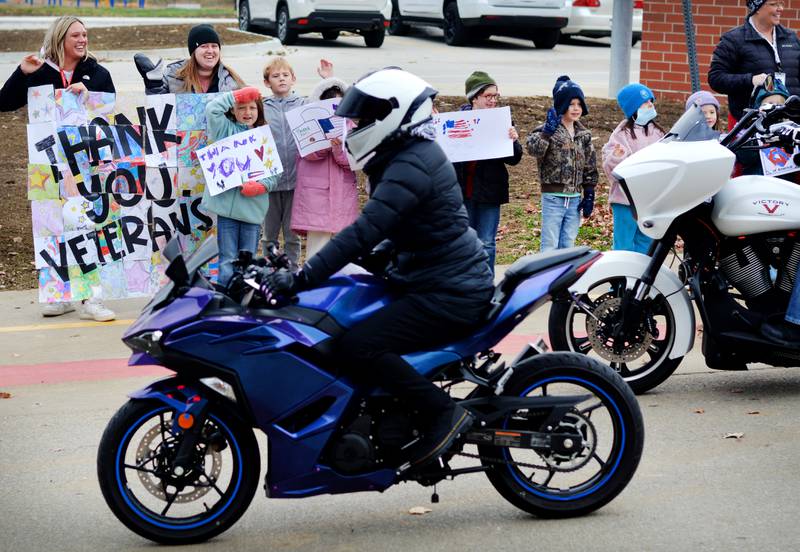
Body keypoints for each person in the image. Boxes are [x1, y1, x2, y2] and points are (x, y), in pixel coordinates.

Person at [262, 69, 494, 469]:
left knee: (359, 345)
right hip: (433, 278)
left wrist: (303, 277)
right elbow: (401, 229)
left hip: (449, 290)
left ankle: (443, 411)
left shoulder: (411, 164)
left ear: (394, 114)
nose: (355, 127)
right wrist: (372, 259)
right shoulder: (405, 156)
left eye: (363, 119)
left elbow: (365, 230)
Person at [0, 15, 116, 321]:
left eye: (85, 35)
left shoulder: (97, 72)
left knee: (88, 228)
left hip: (85, 166)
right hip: (48, 165)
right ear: (60, 38)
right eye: (76, 35)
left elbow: (109, 110)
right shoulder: (39, 71)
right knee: (51, 228)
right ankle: (60, 295)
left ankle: (91, 299)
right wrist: (21, 73)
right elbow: (4, 102)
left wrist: (89, 96)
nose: (82, 40)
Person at [261, 57, 333, 268]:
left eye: (285, 75)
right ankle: (270, 269)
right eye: (275, 76)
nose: (281, 79)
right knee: (269, 235)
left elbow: (327, 106)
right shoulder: (262, 108)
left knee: (292, 235)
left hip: (297, 182)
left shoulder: (303, 104)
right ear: (267, 83)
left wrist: (327, 79)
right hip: (271, 183)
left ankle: (292, 272)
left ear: (293, 79)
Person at [202, 86, 277, 287]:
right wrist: (234, 96)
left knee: (248, 259)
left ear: (259, 111)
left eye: (252, 108)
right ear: (233, 111)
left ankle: (245, 297)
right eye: (241, 107)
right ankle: (227, 294)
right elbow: (212, 110)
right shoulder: (225, 129)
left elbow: (274, 174)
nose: (247, 112)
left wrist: (261, 186)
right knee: (227, 258)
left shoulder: (264, 137)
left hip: (252, 211)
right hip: (227, 211)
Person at [452, 71, 522, 274]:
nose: (493, 100)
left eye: (495, 96)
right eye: (488, 96)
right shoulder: (458, 121)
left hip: (490, 192)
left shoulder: (502, 120)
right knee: (465, 242)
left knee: (487, 242)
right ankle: (466, 284)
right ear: (474, 97)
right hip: (464, 192)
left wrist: (513, 140)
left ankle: (486, 284)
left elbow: (515, 158)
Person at [527, 75, 598, 252]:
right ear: (561, 105)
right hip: (553, 198)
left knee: (568, 244)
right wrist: (546, 133)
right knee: (550, 244)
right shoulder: (548, 129)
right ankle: (548, 278)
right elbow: (534, 150)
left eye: (579, 104)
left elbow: (589, 165)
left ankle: (565, 279)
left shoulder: (583, 134)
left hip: (574, 199)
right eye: (571, 104)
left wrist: (589, 193)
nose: (576, 108)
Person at [290, 78, 359, 259]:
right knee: (317, 249)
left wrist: (338, 149)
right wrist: (323, 144)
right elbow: (306, 153)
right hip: (316, 197)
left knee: (343, 249)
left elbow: (353, 160)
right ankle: (315, 283)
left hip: (343, 195)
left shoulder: (352, 127)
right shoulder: (307, 125)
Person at [708, 0, 800, 128]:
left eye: (781, 4)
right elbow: (716, 78)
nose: (780, 9)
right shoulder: (734, 40)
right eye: (774, 4)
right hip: (750, 129)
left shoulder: (791, 38)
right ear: (757, 7)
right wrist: (751, 80)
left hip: (792, 126)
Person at [602, 83, 665, 255]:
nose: (650, 105)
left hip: (649, 200)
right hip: (625, 200)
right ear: (633, 108)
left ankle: (639, 277)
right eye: (645, 103)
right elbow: (610, 167)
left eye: (651, 101)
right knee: (624, 243)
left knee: (646, 240)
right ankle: (621, 278)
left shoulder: (658, 133)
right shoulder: (621, 134)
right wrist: (617, 156)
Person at [134, 24, 244, 94]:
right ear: (193, 52)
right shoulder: (173, 75)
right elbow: (158, 109)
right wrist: (154, 85)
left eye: (214, 46)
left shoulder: (231, 81)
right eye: (204, 46)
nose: (210, 50)